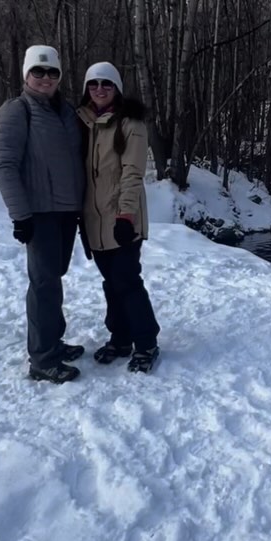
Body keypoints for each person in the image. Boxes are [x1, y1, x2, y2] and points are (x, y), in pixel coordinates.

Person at [0, 45, 85, 383]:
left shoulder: (66, 111)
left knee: (53, 278)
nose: (46, 78)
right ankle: (43, 358)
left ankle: (53, 342)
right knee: (44, 283)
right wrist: (21, 216)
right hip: (40, 213)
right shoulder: (17, 110)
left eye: (52, 72)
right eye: (38, 71)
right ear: (26, 75)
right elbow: (4, 165)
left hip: (67, 211)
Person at [78, 62, 160, 373]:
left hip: (123, 220)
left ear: (117, 89)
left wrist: (125, 215)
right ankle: (121, 337)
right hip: (94, 221)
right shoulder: (83, 122)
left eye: (106, 84)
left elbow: (133, 173)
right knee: (111, 283)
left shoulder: (130, 123)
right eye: (94, 84)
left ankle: (146, 342)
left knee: (126, 281)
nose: (99, 89)